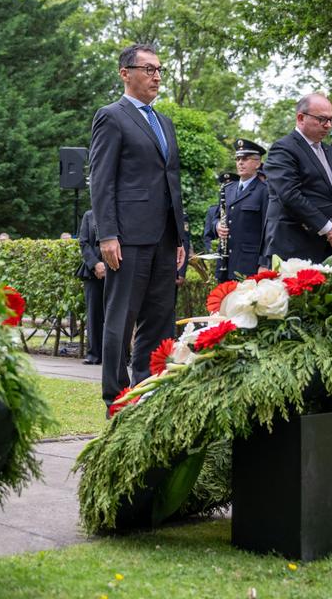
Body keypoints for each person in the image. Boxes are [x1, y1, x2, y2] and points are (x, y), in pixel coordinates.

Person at [89, 43, 188, 407]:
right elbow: (102, 180)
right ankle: (116, 399)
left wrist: (181, 237)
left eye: (159, 70)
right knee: (120, 318)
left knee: (160, 320)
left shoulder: (164, 123)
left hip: (164, 237)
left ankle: (148, 392)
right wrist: (107, 234)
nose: (156, 76)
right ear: (125, 73)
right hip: (127, 237)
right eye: (148, 69)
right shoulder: (111, 116)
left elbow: (172, 183)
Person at [261, 93, 332, 265]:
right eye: (321, 119)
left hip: (331, 249)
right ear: (300, 118)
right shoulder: (283, 149)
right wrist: (328, 229)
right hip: (294, 248)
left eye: (331, 119)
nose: (328, 125)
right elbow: (290, 195)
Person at [205, 139, 269, 280]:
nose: (240, 163)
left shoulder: (265, 191)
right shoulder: (227, 189)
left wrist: (264, 262)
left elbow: (269, 231)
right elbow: (215, 218)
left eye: (245, 159)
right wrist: (217, 226)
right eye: (238, 159)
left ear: (258, 163)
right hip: (225, 262)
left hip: (249, 265)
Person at [74, 209, 104, 366]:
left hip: (117, 270)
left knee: (118, 314)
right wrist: (95, 264)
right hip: (92, 273)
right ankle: (94, 354)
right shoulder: (89, 215)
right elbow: (84, 242)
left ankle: (119, 356)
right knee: (93, 314)